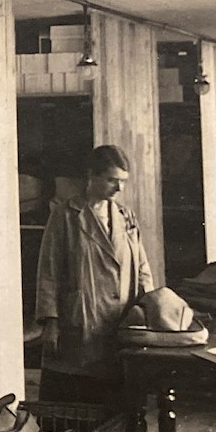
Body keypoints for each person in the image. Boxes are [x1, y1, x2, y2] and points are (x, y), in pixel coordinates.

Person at [34, 145, 154, 402]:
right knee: (76, 397)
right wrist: (51, 322)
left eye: (123, 181)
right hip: (81, 317)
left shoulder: (126, 217)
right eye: (112, 180)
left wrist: (147, 309)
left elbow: (143, 268)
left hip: (119, 320)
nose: (119, 188)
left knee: (115, 402)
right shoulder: (66, 216)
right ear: (92, 175)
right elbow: (49, 272)